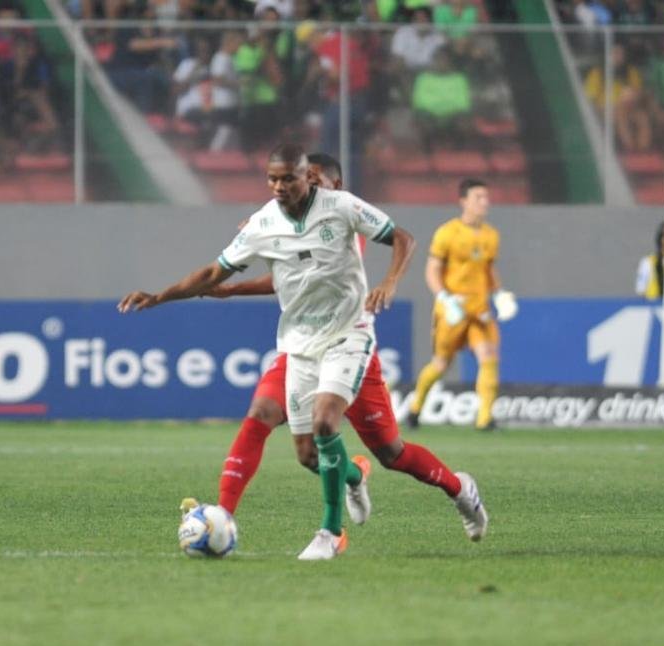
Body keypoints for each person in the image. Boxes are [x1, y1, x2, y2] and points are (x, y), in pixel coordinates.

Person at [118, 143, 489, 561]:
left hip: (349, 335)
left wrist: (389, 282)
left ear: (309, 179)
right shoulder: (263, 223)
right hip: (299, 346)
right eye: (272, 179)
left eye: (289, 178)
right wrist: (161, 296)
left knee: (335, 425)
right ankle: (355, 475)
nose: (279, 186)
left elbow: (402, 238)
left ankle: (332, 532)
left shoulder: (342, 209)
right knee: (312, 451)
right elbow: (222, 272)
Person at [406, 179, 513, 433]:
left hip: (480, 308)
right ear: (463, 201)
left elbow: (488, 269)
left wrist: (499, 294)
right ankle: (415, 408)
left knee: (488, 356)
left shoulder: (491, 235)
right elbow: (432, 270)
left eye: (486, 197)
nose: (484, 202)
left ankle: (484, 419)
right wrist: (444, 298)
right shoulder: (448, 233)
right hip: (453, 309)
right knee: (441, 364)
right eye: (478, 197)